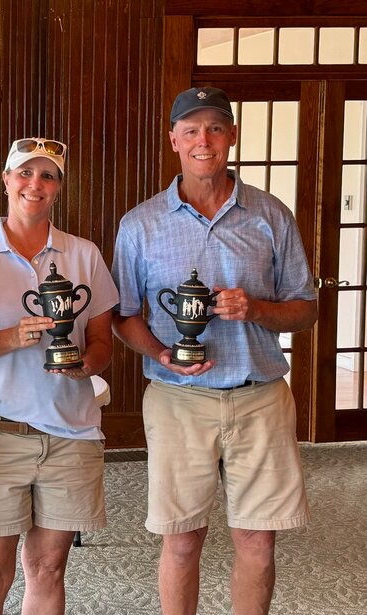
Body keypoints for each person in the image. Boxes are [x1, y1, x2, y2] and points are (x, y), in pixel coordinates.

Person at [111, 87, 318, 615]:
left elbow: (306, 308)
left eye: (215, 128)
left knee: (258, 539)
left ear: (231, 136)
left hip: (261, 397)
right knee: (182, 538)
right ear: (174, 140)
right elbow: (123, 315)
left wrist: (258, 310)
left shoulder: (271, 215)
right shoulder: (140, 224)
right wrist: (160, 353)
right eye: (191, 130)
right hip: (179, 398)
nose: (204, 140)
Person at [0, 137, 118, 615]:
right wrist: (7, 338)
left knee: (47, 570)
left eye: (47, 176)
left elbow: (102, 341)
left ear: (58, 188)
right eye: (24, 173)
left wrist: (86, 364)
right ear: (5, 181)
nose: (34, 184)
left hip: (70, 433)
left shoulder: (83, 254)